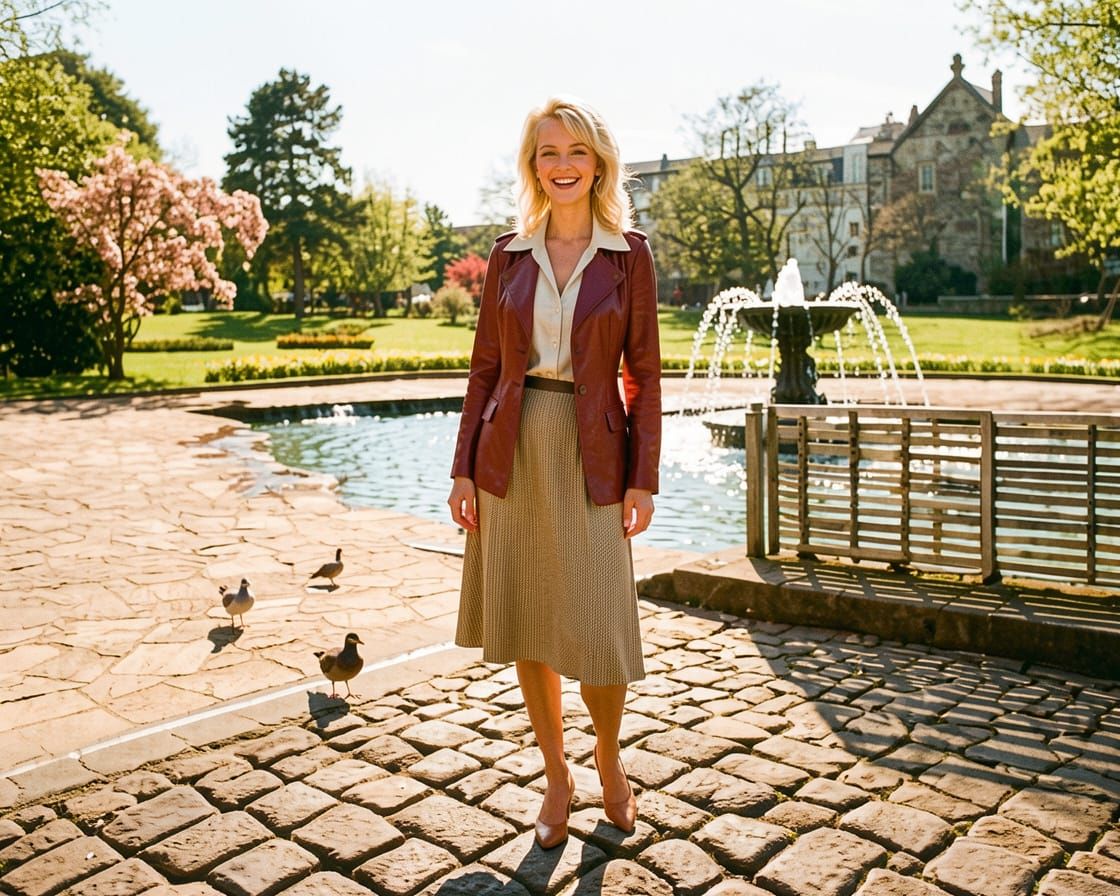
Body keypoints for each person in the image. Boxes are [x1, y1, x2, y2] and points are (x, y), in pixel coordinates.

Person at [447, 96, 661, 851]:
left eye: (575, 151)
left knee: (598, 624)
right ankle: (556, 774)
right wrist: (463, 469)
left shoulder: (628, 254)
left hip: (593, 450)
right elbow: (482, 370)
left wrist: (643, 478)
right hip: (513, 446)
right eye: (548, 152)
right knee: (533, 616)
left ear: (597, 162)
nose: (562, 165)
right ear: (531, 165)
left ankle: (608, 755)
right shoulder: (509, 253)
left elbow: (646, 375)